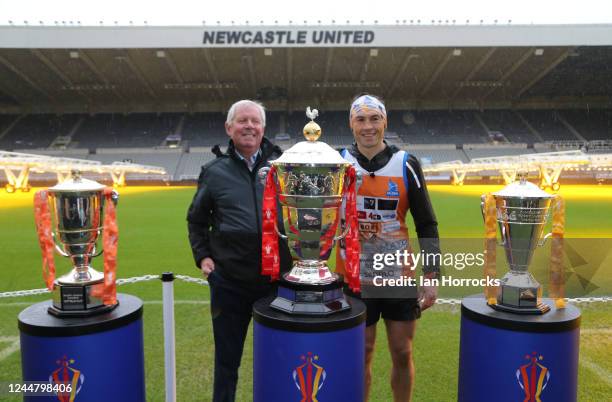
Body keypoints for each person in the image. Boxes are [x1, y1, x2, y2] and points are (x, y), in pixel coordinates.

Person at [336, 94, 440, 402]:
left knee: (402, 350)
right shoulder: (338, 163)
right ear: (351, 124)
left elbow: (427, 223)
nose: (368, 126)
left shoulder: (406, 163)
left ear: (385, 122)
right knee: (362, 353)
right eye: (360, 119)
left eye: (374, 118)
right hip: (354, 278)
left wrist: (431, 274)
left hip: (397, 276)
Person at [187, 99, 290, 402]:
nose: (249, 126)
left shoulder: (283, 167)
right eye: (242, 120)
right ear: (229, 128)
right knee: (227, 361)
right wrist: (202, 255)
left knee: (278, 359)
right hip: (229, 282)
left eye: (255, 121)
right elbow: (196, 220)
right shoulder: (213, 171)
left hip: (275, 281)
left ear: (263, 128)